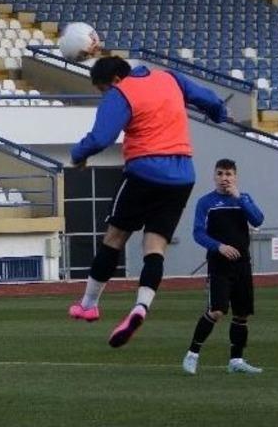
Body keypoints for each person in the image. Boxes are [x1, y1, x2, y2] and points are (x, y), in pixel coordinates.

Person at [67, 56, 228, 348]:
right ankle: (141, 306)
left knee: (114, 238)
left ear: (114, 80)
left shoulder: (121, 92)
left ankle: (89, 303)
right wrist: (219, 113)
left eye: (103, 89)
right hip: (181, 177)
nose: (105, 94)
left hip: (144, 172)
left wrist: (78, 154)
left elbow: (101, 137)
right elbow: (209, 100)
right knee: (155, 248)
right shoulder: (170, 78)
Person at [182, 159, 264, 375]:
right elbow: (198, 232)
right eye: (220, 174)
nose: (225, 178)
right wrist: (218, 246)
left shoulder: (243, 199)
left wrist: (241, 199)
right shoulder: (205, 202)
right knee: (216, 311)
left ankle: (236, 360)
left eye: (229, 174)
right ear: (214, 176)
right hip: (219, 265)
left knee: (242, 314)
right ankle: (192, 354)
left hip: (243, 264)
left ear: (235, 176)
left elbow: (258, 220)